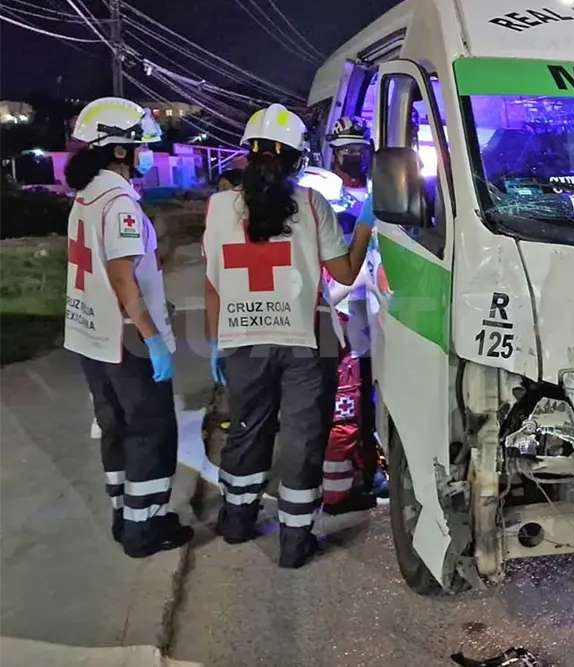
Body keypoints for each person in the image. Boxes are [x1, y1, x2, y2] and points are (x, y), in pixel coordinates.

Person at [203, 103, 372, 568]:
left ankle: (236, 521)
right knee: (302, 438)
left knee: (247, 429)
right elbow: (345, 272)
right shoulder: (312, 204)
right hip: (306, 340)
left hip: (242, 339)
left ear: (248, 155)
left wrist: (216, 340)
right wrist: (365, 223)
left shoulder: (218, 207)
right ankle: (295, 542)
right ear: (298, 159)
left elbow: (213, 282)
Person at [63, 97, 194, 558]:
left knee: (115, 427)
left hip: (91, 334)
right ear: (119, 150)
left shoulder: (87, 195)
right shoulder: (118, 201)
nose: (147, 156)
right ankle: (145, 529)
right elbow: (121, 276)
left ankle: (126, 515)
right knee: (150, 430)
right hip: (126, 337)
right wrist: (152, 336)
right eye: (142, 147)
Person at [319, 116, 386, 512]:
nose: (355, 157)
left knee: (370, 405)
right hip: (344, 317)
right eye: (348, 150)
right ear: (334, 153)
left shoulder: (385, 193)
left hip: (381, 317)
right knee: (345, 409)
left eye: (361, 149)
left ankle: (369, 470)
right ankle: (337, 491)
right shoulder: (325, 200)